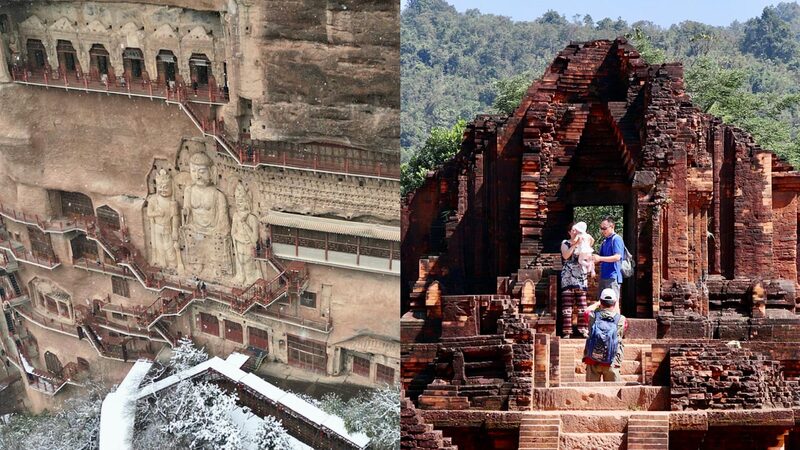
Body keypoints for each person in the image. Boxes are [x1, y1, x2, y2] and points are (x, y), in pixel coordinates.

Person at [583, 288, 627, 382]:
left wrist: (597, 303)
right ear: (615, 303)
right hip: (612, 360)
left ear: (601, 302)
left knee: (591, 391)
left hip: (593, 359)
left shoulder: (592, 316)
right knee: (613, 392)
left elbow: (586, 311)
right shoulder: (622, 319)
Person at [560, 222, 589, 338]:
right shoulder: (565, 243)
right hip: (567, 278)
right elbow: (565, 256)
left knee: (582, 305)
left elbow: (591, 244)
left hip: (581, 278)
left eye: (576, 230)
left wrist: (584, 239)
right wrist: (574, 244)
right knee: (567, 306)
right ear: (569, 232)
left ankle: (583, 329)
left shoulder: (583, 243)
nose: (575, 232)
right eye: (573, 230)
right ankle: (567, 331)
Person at [593, 216, 624, 301]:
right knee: (602, 303)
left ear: (612, 226)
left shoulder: (616, 239)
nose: (602, 230)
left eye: (604, 228)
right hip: (603, 276)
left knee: (613, 302)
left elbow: (617, 257)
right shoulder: (605, 241)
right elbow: (600, 258)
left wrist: (600, 258)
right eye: (601, 228)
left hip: (613, 276)